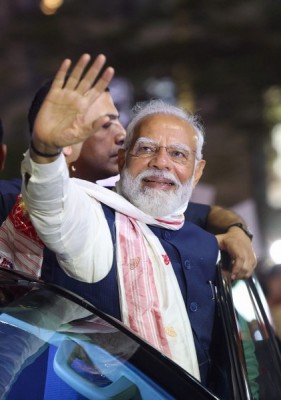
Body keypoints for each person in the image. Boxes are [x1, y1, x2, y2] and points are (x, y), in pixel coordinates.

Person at [18, 53, 235, 387]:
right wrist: (45, 153)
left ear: (198, 171)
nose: (161, 162)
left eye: (178, 154)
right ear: (121, 160)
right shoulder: (91, 217)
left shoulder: (206, 245)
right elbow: (52, 206)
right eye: (146, 149)